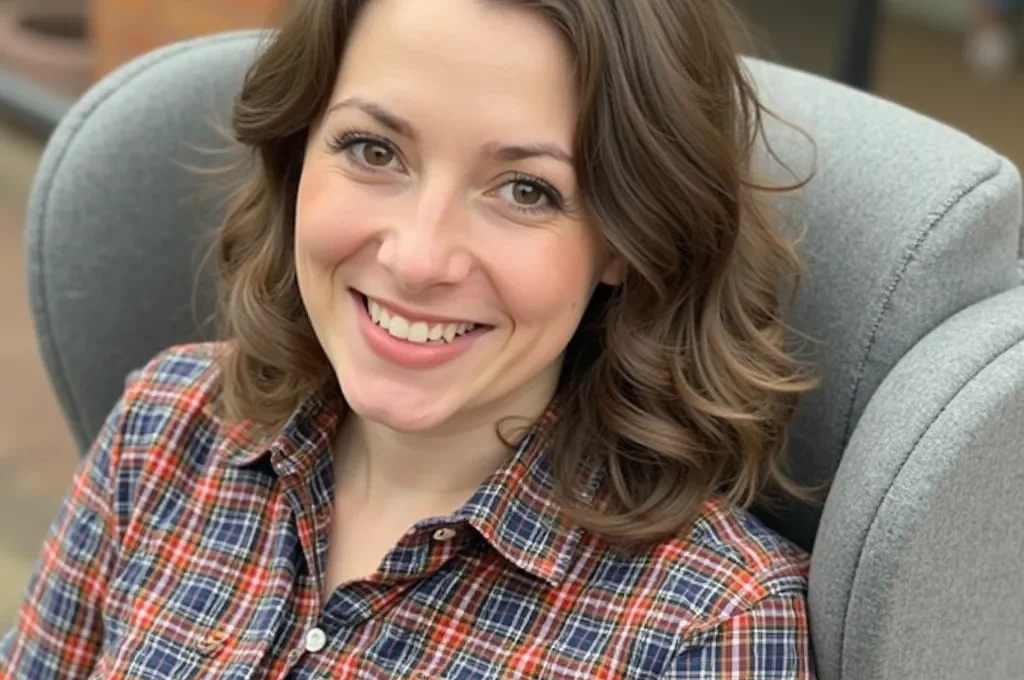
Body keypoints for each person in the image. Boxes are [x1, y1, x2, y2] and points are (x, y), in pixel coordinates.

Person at [1, 0, 822, 677]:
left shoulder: (708, 627)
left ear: (625, 239)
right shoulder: (165, 427)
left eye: (526, 191)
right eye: (374, 150)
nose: (418, 259)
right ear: (298, 151)